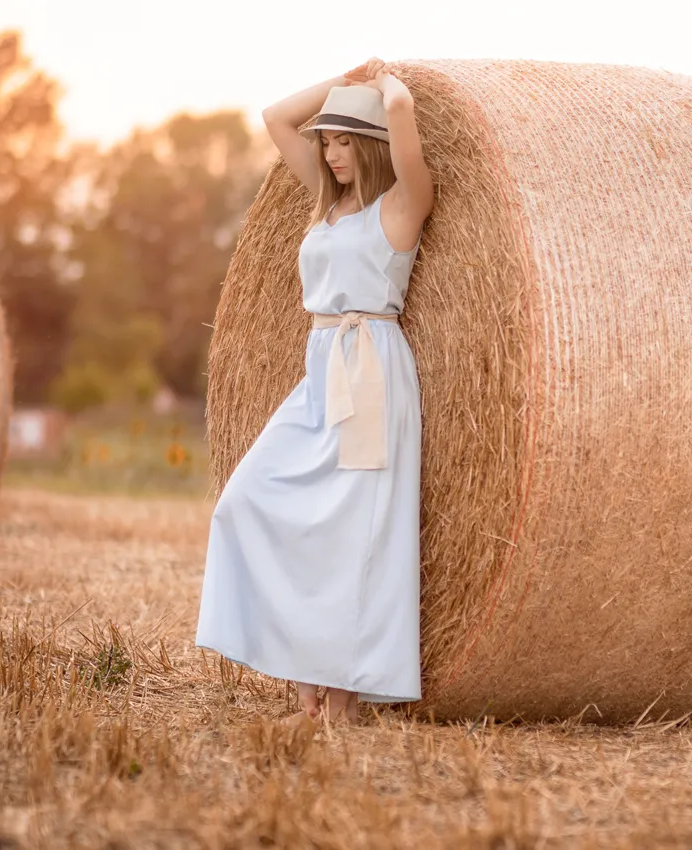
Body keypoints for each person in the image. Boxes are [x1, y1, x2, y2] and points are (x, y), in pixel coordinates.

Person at [194, 57, 434, 726]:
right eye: (327, 140)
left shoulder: (401, 206)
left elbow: (404, 113)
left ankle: (341, 703)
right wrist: (343, 81)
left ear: (372, 146)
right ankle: (308, 694)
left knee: (356, 537)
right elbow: (275, 117)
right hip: (320, 369)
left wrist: (388, 85)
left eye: (345, 140)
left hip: (374, 373)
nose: (330, 154)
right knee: (248, 502)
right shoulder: (325, 206)